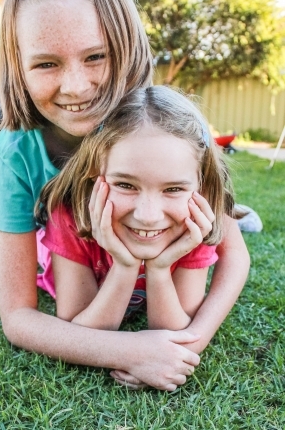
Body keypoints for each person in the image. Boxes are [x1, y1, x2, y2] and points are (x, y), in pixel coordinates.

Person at [0, 0, 250, 391]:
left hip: (160, 243)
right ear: (18, 68)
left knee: (195, 220)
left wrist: (188, 344)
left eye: (96, 57)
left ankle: (236, 210)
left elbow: (234, 257)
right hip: (73, 247)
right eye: (46, 63)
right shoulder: (13, 153)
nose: (76, 87)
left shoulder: (169, 128)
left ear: (125, 45)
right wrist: (132, 352)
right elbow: (18, 317)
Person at [36, 86, 241, 339]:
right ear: (93, 171)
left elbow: (175, 334)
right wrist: (124, 265)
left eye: (173, 188)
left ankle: (240, 214)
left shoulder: (194, 223)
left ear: (201, 187)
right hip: (56, 247)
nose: (148, 215)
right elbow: (80, 334)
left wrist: (159, 268)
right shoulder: (69, 217)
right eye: (125, 185)